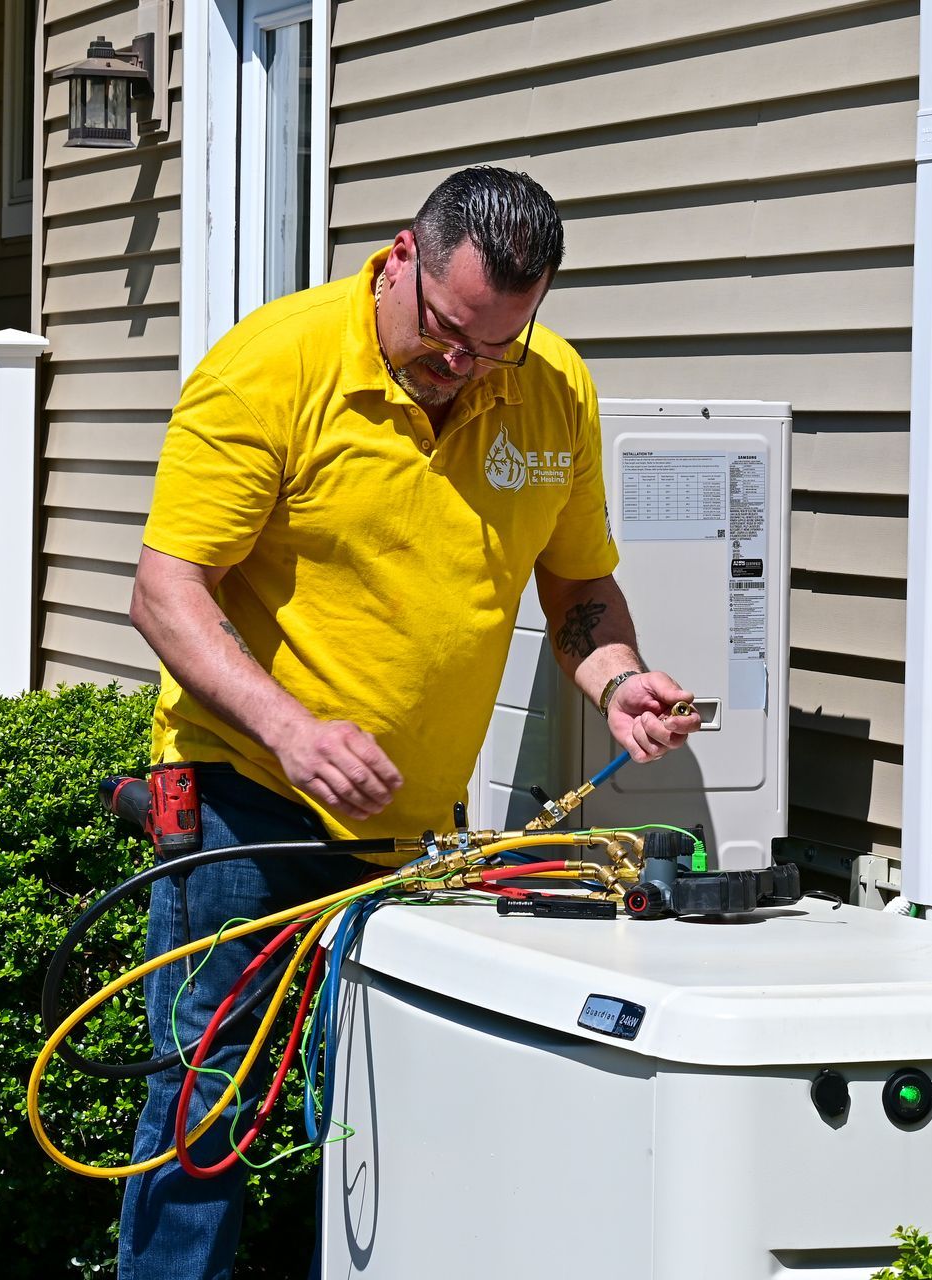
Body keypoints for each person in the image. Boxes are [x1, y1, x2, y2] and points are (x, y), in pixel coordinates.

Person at [118, 166, 700, 1279]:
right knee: (205, 1107)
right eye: (449, 334)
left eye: (499, 345)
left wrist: (615, 676)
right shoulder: (273, 367)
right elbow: (166, 591)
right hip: (244, 805)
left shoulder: (552, 388)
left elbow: (578, 586)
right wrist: (291, 728)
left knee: (387, 1111)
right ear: (400, 258)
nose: (465, 366)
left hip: (417, 828)